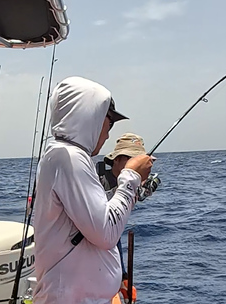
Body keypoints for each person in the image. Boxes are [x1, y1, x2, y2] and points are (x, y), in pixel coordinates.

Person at [32, 76, 154, 304]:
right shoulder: (68, 158)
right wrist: (131, 177)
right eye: (109, 122)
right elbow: (106, 232)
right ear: (91, 117)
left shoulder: (62, 156)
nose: (109, 133)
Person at [96, 133, 160, 303]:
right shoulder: (96, 184)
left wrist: (123, 276)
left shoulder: (130, 184)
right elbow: (104, 224)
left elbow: (113, 236)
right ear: (116, 160)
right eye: (132, 159)